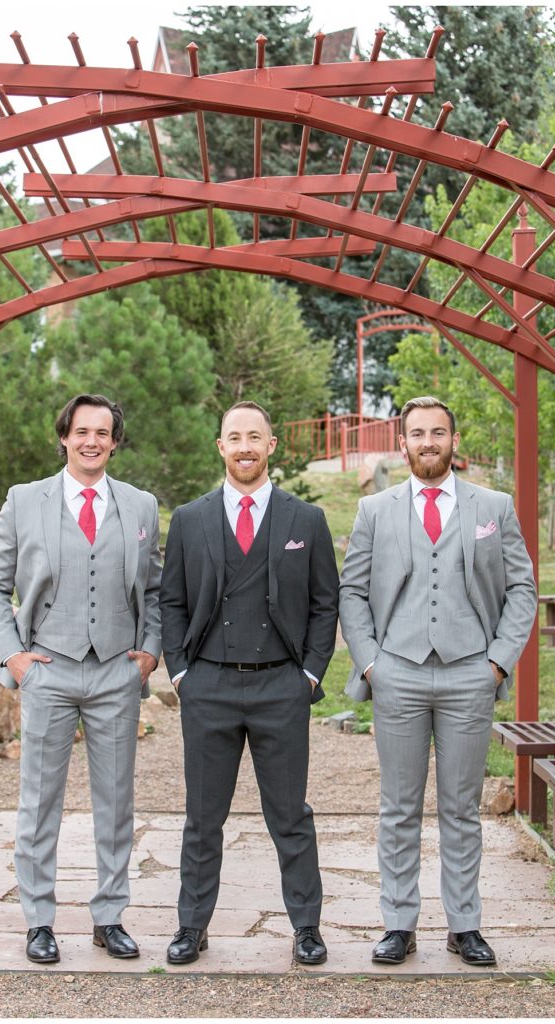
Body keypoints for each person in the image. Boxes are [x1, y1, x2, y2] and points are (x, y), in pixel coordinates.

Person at [339, 396, 536, 968]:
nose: (428, 441)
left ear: (454, 439)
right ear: (402, 442)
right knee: (398, 807)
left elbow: (522, 588)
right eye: (418, 433)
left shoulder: (492, 506)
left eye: (438, 432)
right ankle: (398, 925)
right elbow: (352, 590)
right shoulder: (375, 509)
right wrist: (372, 662)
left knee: (460, 807)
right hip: (396, 671)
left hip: (469, 672)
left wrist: (497, 662)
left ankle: (465, 925)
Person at [0, 394, 161, 964]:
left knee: (115, 801)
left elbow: (155, 590)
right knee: (39, 801)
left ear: (114, 441)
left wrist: (148, 653)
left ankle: (109, 916)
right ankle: (39, 921)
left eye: (102, 433)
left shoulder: (140, 505)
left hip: (115, 671)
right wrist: (13, 656)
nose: (91, 441)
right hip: (48, 669)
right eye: (81, 431)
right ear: (64, 436)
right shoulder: (24, 500)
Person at [159, 401, 339, 966]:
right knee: (202, 816)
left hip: (280, 687)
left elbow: (324, 602)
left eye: (254, 437)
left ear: (271, 445)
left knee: (290, 816)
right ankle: (192, 927)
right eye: (234, 437)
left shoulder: (305, 520)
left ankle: (306, 928)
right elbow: (171, 601)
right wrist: (181, 671)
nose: (244, 446)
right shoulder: (190, 519)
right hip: (207, 685)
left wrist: (309, 673)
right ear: (220, 446)